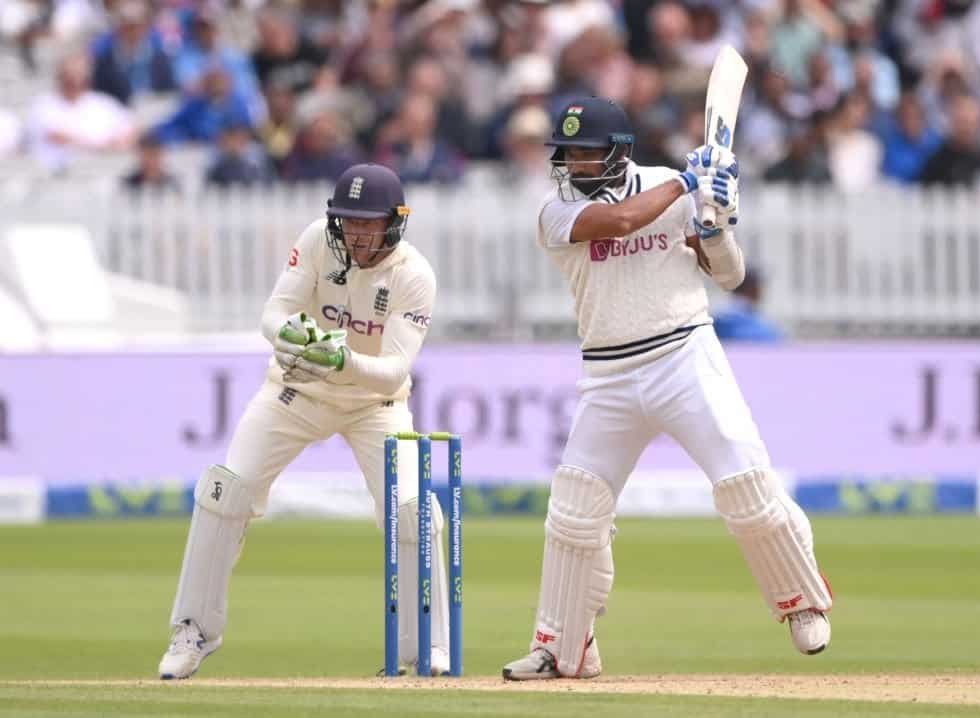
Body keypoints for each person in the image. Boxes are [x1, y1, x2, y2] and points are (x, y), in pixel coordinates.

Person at [502, 97, 832, 681]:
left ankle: (800, 600)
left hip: (683, 354)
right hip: (608, 373)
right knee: (575, 511)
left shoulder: (667, 187)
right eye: (567, 155)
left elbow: (729, 275)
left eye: (587, 153)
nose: (575, 166)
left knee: (744, 487)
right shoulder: (554, 214)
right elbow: (623, 221)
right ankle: (564, 648)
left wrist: (714, 225)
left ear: (619, 151)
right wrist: (689, 181)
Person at [157, 163, 448, 679]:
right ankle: (194, 631)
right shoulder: (317, 241)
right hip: (296, 390)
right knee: (225, 491)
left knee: (412, 509)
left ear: (395, 222)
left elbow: (394, 372)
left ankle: (426, 646)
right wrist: (291, 338)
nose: (356, 233)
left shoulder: (414, 274)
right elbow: (273, 313)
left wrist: (343, 362)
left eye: (368, 223)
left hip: (373, 406)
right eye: (348, 221)